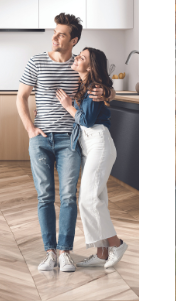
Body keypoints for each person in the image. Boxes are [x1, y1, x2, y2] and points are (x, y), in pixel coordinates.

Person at [16, 13, 113, 273]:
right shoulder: (36, 61)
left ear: (74, 40)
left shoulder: (80, 65)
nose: (54, 37)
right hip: (40, 138)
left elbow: (102, 85)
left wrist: (108, 92)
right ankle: (49, 252)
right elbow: (21, 97)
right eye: (54, 32)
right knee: (45, 195)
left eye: (61, 34)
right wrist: (30, 129)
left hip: (70, 140)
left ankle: (65, 252)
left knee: (69, 196)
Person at [55, 47, 128, 268]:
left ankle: (116, 244)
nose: (77, 58)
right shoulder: (85, 84)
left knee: (88, 200)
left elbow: (86, 120)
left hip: (99, 144)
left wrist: (67, 106)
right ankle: (101, 253)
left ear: (91, 66)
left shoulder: (95, 88)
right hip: (90, 146)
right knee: (98, 200)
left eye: (82, 57)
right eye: (78, 56)